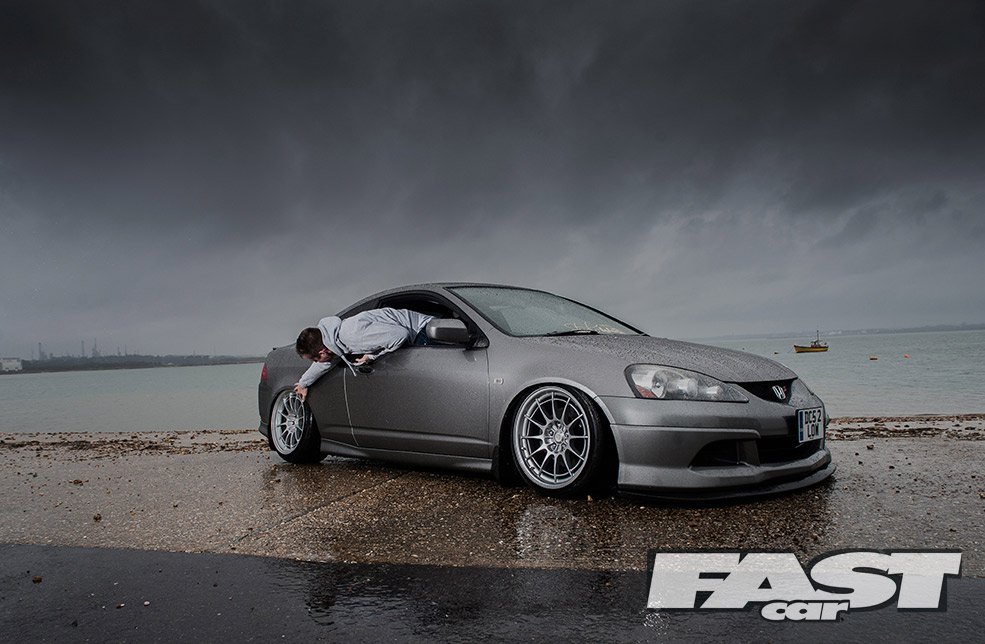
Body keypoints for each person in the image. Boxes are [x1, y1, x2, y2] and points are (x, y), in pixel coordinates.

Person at [293, 307, 433, 401]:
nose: (317, 362)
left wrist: (371, 356)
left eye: (315, 359)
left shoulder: (353, 336)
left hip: (424, 332)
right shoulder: (334, 340)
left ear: (322, 352)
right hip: (419, 332)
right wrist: (303, 383)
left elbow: (400, 335)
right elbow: (324, 365)